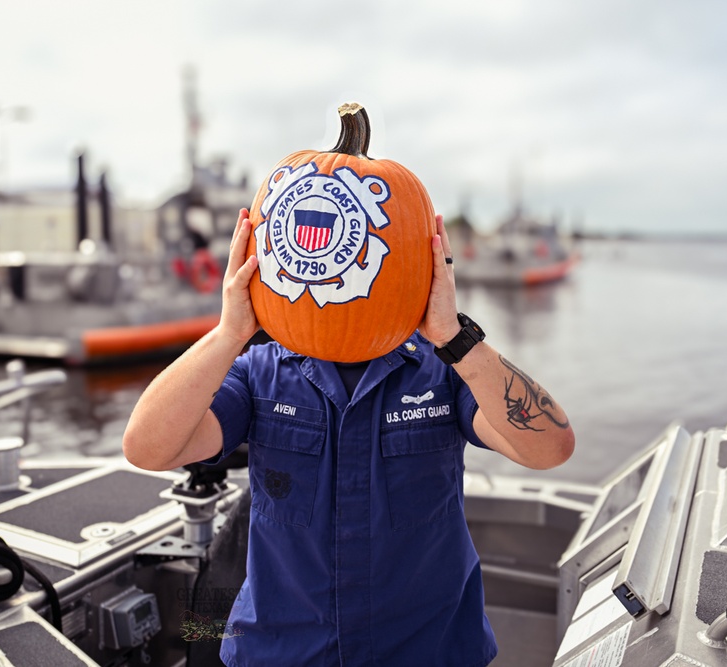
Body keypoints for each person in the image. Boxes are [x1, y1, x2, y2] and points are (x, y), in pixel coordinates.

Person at [122, 207, 574, 666]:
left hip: (428, 652)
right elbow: (148, 448)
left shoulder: (446, 371)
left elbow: (548, 448)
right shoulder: (260, 374)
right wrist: (229, 333)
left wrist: (454, 337)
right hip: (283, 655)